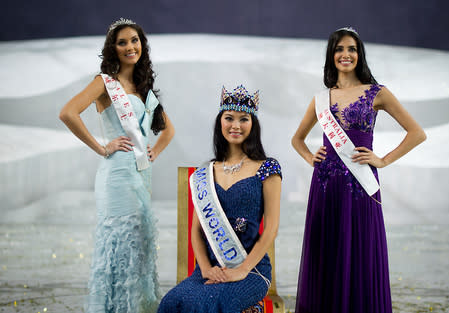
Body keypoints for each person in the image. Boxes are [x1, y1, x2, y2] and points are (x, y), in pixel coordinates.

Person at [292, 27, 426, 313]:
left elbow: (417, 133)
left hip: (360, 186)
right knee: (326, 252)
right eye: (339, 49)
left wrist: (383, 160)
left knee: (361, 252)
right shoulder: (321, 98)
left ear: (359, 54)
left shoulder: (377, 92)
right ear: (331, 55)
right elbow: (297, 139)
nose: (345, 54)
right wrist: (310, 157)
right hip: (326, 185)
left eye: (351, 49)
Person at [59, 18, 175, 313]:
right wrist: (101, 147)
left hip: (141, 175)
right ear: (113, 48)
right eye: (122, 42)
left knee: (140, 248)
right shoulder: (104, 82)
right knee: (119, 249)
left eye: (134, 41)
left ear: (142, 45)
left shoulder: (143, 86)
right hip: (117, 177)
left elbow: (168, 130)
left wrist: (153, 153)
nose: (129, 47)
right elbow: (68, 112)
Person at [157, 85, 282, 313]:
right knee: (169, 304)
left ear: (253, 125)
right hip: (210, 269)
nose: (236, 125)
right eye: (229, 118)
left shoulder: (267, 168)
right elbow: (196, 230)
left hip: (250, 270)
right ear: (220, 123)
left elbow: (272, 228)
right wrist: (205, 269)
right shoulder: (204, 173)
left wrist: (242, 270)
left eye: (243, 119)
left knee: (210, 304)